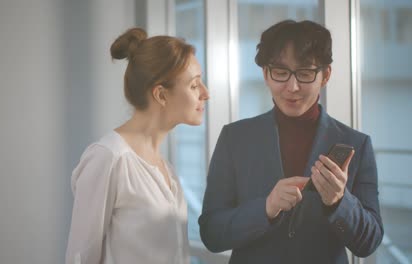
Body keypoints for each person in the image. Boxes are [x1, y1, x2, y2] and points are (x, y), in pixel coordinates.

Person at [198, 20, 383, 264]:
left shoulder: (356, 144)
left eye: (305, 73)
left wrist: (339, 201)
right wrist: (266, 208)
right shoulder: (235, 138)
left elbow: (369, 242)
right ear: (266, 74)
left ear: (325, 75)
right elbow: (211, 233)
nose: (292, 87)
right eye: (281, 73)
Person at [65, 27, 209, 264]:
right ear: (161, 95)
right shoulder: (109, 158)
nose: (206, 93)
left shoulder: (167, 170)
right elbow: (80, 257)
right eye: (194, 85)